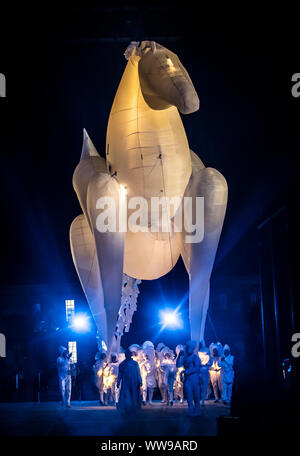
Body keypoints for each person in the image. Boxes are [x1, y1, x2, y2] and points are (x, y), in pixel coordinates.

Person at [117, 348, 142, 415]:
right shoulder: (122, 364)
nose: (128, 355)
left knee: (134, 394)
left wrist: (140, 381)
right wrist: (118, 382)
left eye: (129, 354)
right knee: (126, 395)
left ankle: (134, 407)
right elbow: (120, 374)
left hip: (134, 382)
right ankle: (127, 408)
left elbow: (138, 372)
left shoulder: (135, 363)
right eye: (126, 354)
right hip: (126, 383)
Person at [183, 340, 200, 416]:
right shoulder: (185, 358)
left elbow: (197, 368)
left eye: (189, 348)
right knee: (189, 395)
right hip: (187, 379)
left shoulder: (195, 357)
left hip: (194, 378)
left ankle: (196, 410)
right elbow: (178, 365)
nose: (187, 349)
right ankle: (191, 409)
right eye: (187, 348)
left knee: (196, 395)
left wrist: (187, 371)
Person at [198, 342, 211, 407]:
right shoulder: (198, 354)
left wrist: (206, 364)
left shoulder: (208, 355)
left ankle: (202, 401)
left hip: (205, 372)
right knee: (199, 386)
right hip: (199, 372)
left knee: (204, 386)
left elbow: (210, 362)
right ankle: (199, 400)